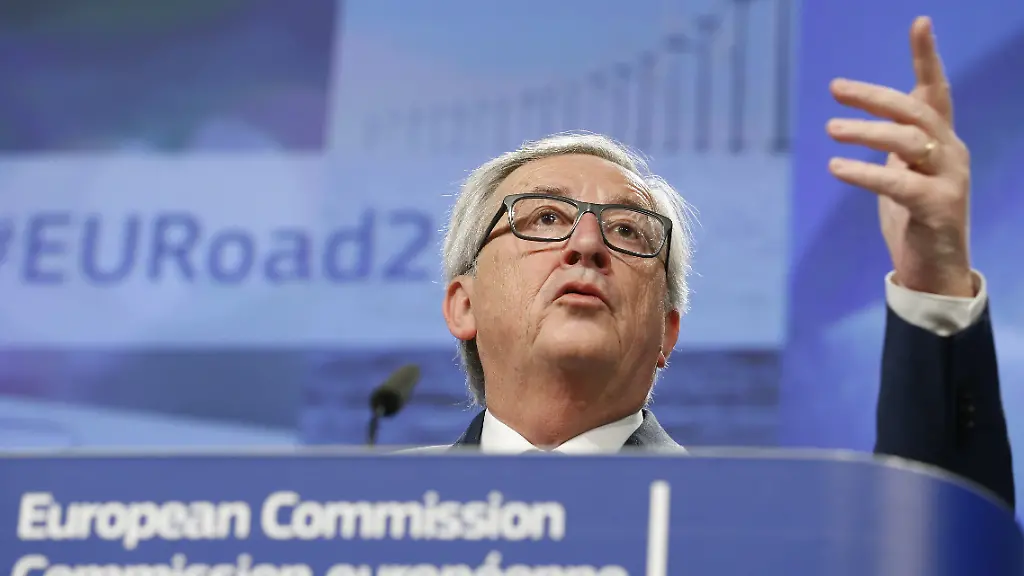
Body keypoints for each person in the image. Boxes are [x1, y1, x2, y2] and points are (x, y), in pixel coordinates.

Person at [438, 17, 1014, 508]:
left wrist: (934, 280)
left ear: (667, 332)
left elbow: (942, 546)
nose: (587, 244)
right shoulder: (383, 517)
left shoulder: (763, 526)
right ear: (464, 305)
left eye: (627, 230)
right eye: (544, 218)